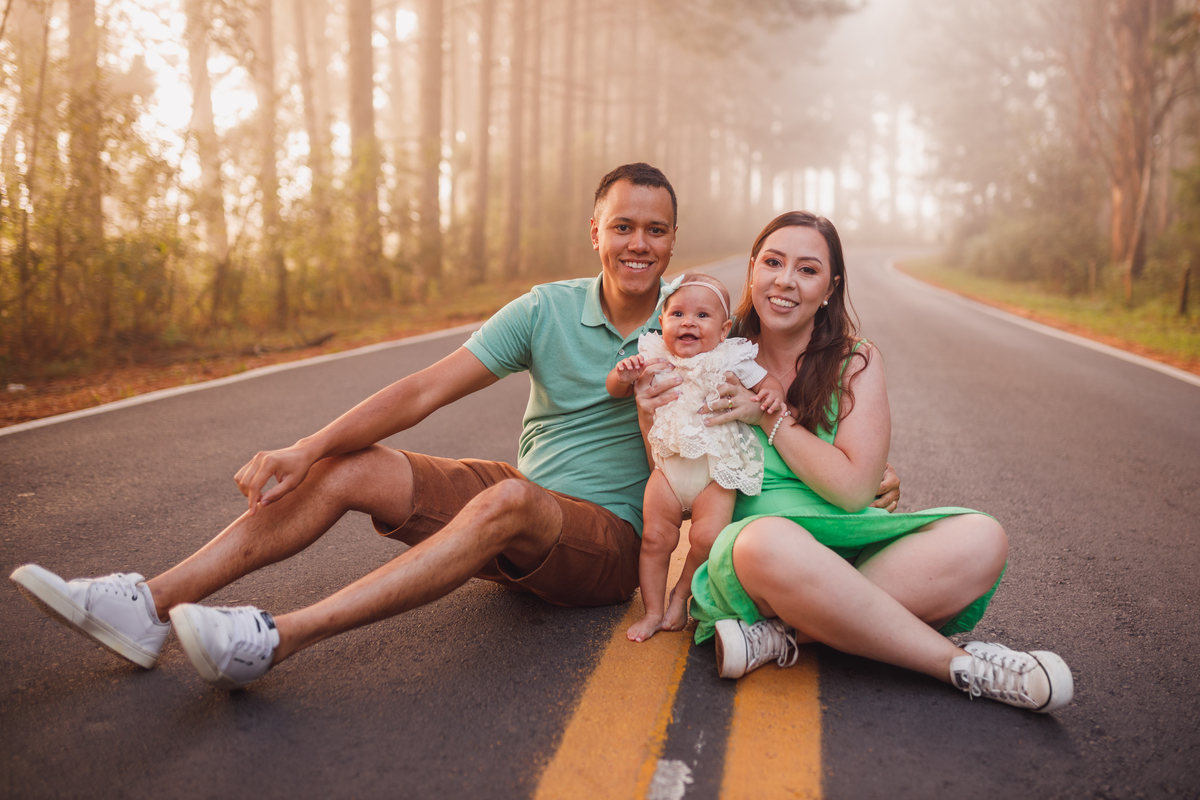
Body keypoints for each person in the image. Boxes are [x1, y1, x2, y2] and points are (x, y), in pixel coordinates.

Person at [8, 164, 899, 692]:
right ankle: (145, 602)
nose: (640, 242)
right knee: (358, 464)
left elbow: (787, 385)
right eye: (623, 225)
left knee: (508, 498)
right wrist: (309, 446)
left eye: (657, 231)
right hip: (515, 499)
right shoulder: (543, 311)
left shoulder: (700, 317)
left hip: (602, 536)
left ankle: (274, 637)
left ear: (675, 244)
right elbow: (428, 385)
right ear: (594, 229)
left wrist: (869, 486)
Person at [652, 211, 1074, 713]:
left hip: (850, 543)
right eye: (773, 262)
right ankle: (958, 666)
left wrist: (770, 421)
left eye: (807, 270)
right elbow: (670, 469)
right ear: (752, 271)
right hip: (764, 563)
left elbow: (854, 492)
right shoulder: (712, 349)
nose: (786, 280)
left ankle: (784, 636)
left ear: (829, 288)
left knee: (984, 537)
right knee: (767, 540)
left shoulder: (856, 361)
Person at [606, 273, 785, 642]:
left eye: (702, 316)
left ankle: (681, 593)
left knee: (707, 538)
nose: (688, 321)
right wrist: (621, 376)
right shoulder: (654, 357)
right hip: (667, 470)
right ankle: (653, 611)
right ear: (662, 323)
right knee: (655, 539)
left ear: (723, 331)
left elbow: (768, 382)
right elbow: (615, 388)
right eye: (678, 314)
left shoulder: (730, 359)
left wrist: (771, 396)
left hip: (715, 471)